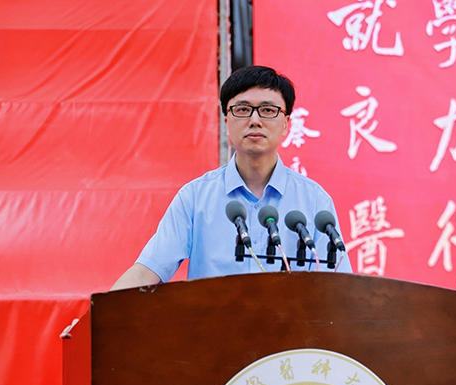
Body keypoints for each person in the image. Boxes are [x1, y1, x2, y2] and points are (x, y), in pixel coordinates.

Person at [111, 66, 351, 290]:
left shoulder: (314, 200)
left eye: (268, 110)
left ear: (286, 124)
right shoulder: (195, 198)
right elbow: (147, 271)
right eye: (243, 110)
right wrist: (100, 313)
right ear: (227, 121)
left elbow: (340, 287)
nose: (255, 120)